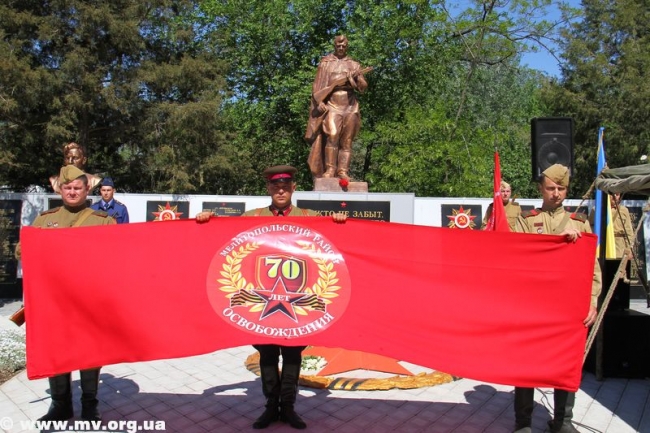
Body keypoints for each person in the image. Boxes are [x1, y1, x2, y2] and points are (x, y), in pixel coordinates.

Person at [196, 165, 346, 429]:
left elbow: (335, 244)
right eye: (276, 187)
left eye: (285, 187)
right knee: (267, 355)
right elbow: (225, 235)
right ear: (268, 189)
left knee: (292, 356)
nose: (281, 191)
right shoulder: (252, 217)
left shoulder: (310, 217)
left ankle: (288, 407)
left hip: (298, 303)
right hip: (262, 302)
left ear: (293, 188)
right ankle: (270, 406)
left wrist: (338, 221)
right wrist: (209, 219)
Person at [21, 165, 116, 422]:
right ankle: (60, 405)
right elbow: (23, 250)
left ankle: (89, 405)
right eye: (68, 188)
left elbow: (116, 255)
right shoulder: (45, 220)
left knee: (91, 351)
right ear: (60, 190)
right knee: (56, 350)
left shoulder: (102, 220)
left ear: (87, 190)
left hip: (89, 300)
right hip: (55, 301)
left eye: (77, 188)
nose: (72, 192)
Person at [512, 164, 602, 433]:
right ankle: (523, 422)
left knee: (566, 363)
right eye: (551, 188)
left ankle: (563, 421)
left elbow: (592, 268)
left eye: (561, 188)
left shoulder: (579, 223)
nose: (556, 193)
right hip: (533, 306)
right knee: (526, 364)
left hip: (568, 309)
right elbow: (518, 258)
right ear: (541, 188)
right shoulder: (526, 221)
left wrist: (592, 301)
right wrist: (557, 244)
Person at [305, 35, 369, 180]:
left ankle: (343, 171)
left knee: (347, 141)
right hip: (332, 105)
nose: (341, 48)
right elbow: (317, 85)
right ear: (334, 46)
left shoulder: (354, 65)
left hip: (350, 106)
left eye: (343, 46)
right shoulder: (325, 63)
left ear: (347, 47)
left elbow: (363, 87)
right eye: (338, 45)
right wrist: (318, 102)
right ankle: (330, 169)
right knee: (332, 136)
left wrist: (356, 78)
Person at [611, 193, 634, 259]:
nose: (615, 196)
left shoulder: (624, 210)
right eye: (612, 194)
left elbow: (629, 232)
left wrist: (629, 250)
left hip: (619, 247)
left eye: (617, 194)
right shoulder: (597, 210)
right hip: (601, 245)